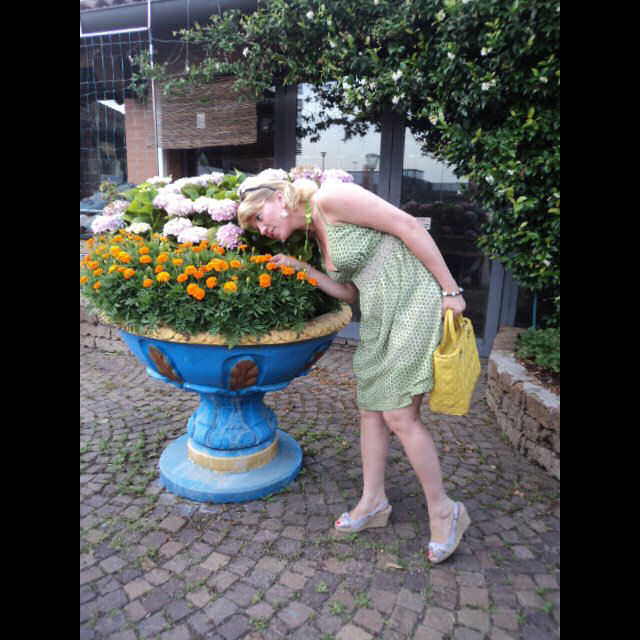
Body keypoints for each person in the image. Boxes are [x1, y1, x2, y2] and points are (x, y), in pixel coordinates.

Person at [237, 175, 471, 564]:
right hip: (380, 315)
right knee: (370, 410)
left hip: (413, 301)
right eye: (255, 227)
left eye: (260, 217)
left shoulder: (332, 197)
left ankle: (446, 511)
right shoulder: (315, 234)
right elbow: (349, 292)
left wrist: (450, 290)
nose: (263, 230)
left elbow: (408, 226)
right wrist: (301, 268)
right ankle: (373, 501)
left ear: (280, 197)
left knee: (400, 414)